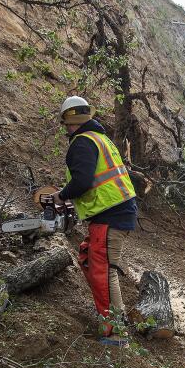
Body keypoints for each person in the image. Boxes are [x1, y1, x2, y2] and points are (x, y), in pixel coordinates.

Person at [56, 96, 137, 346]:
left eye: (68, 124)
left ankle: (115, 331)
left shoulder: (82, 142)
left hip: (110, 215)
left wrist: (60, 196)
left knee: (103, 272)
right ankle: (115, 322)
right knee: (91, 261)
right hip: (116, 211)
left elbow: (82, 182)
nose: (68, 128)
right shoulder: (101, 138)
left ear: (71, 122)